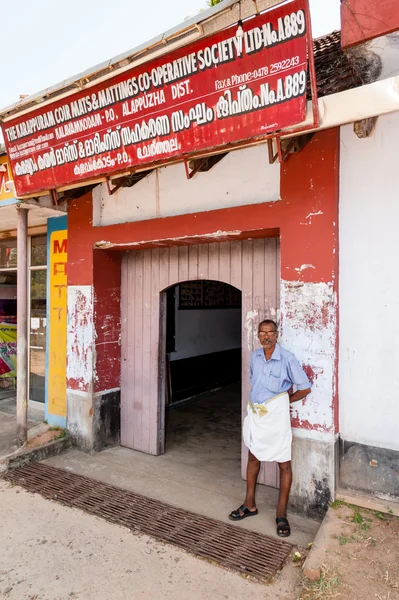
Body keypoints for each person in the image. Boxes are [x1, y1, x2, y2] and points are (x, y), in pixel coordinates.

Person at [229, 319, 311, 537]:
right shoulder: (255, 357)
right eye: (261, 333)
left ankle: (281, 515)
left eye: (269, 332)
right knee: (253, 457)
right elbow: (255, 383)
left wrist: (283, 403)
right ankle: (249, 505)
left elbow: (305, 388)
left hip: (276, 417)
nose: (265, 336)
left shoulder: (287, 358)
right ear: (258, 335)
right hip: (257, 415)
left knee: (283, 463)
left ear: (277, 334)